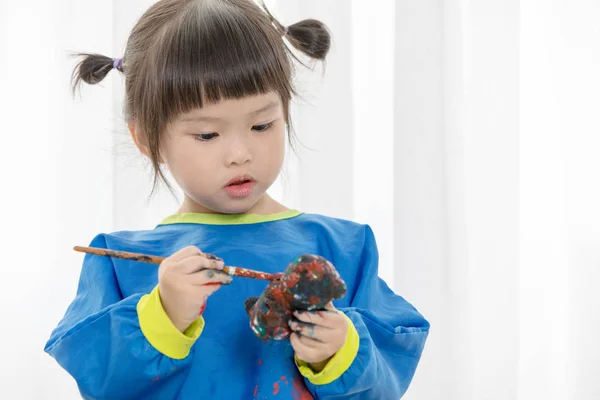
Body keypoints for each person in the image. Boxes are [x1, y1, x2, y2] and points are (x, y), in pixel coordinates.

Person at [44, 1, 429, 399]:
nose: (240, 153)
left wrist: (340, 351)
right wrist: (163, 314)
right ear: (146, 138)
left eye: (262, 124)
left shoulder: (344, 248)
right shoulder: (116, 262)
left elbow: (388, 373)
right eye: (208, 135)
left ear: (286, 113)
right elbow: (101, 382)